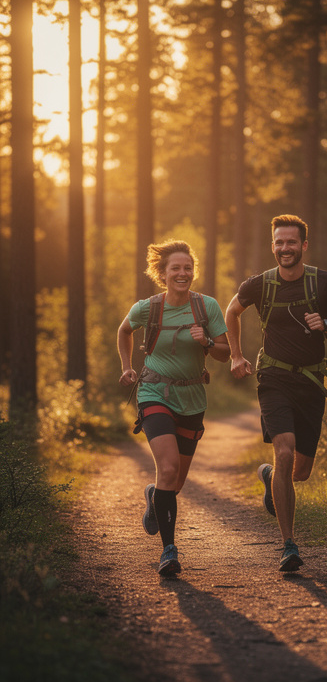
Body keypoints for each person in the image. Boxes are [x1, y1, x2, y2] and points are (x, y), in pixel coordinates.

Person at [225, 214, 327, 572]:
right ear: (273, 246)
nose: (285, 248)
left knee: (299, 472)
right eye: (279, 243)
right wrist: (236, 355)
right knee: (283, 451)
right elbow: (231, 312)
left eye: (291, 242)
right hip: (273, 378)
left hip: (312, 384)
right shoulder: (260, 284)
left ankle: (270, 477)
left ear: (303, 245)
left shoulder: (325, 283)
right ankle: (288, 545)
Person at [117, 240, 230, 576]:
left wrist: (207, 342)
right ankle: (169, 550)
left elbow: (225, 352)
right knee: (166, 469)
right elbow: (124, 330)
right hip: (154, 392)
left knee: (174, 483)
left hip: (193, 398)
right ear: (163, 274)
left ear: (193, 271)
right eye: (175, 268)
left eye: (187, 268)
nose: (183, 273)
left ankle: (155, 498)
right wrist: (126, 366)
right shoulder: (148, 308)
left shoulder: (207, 307)